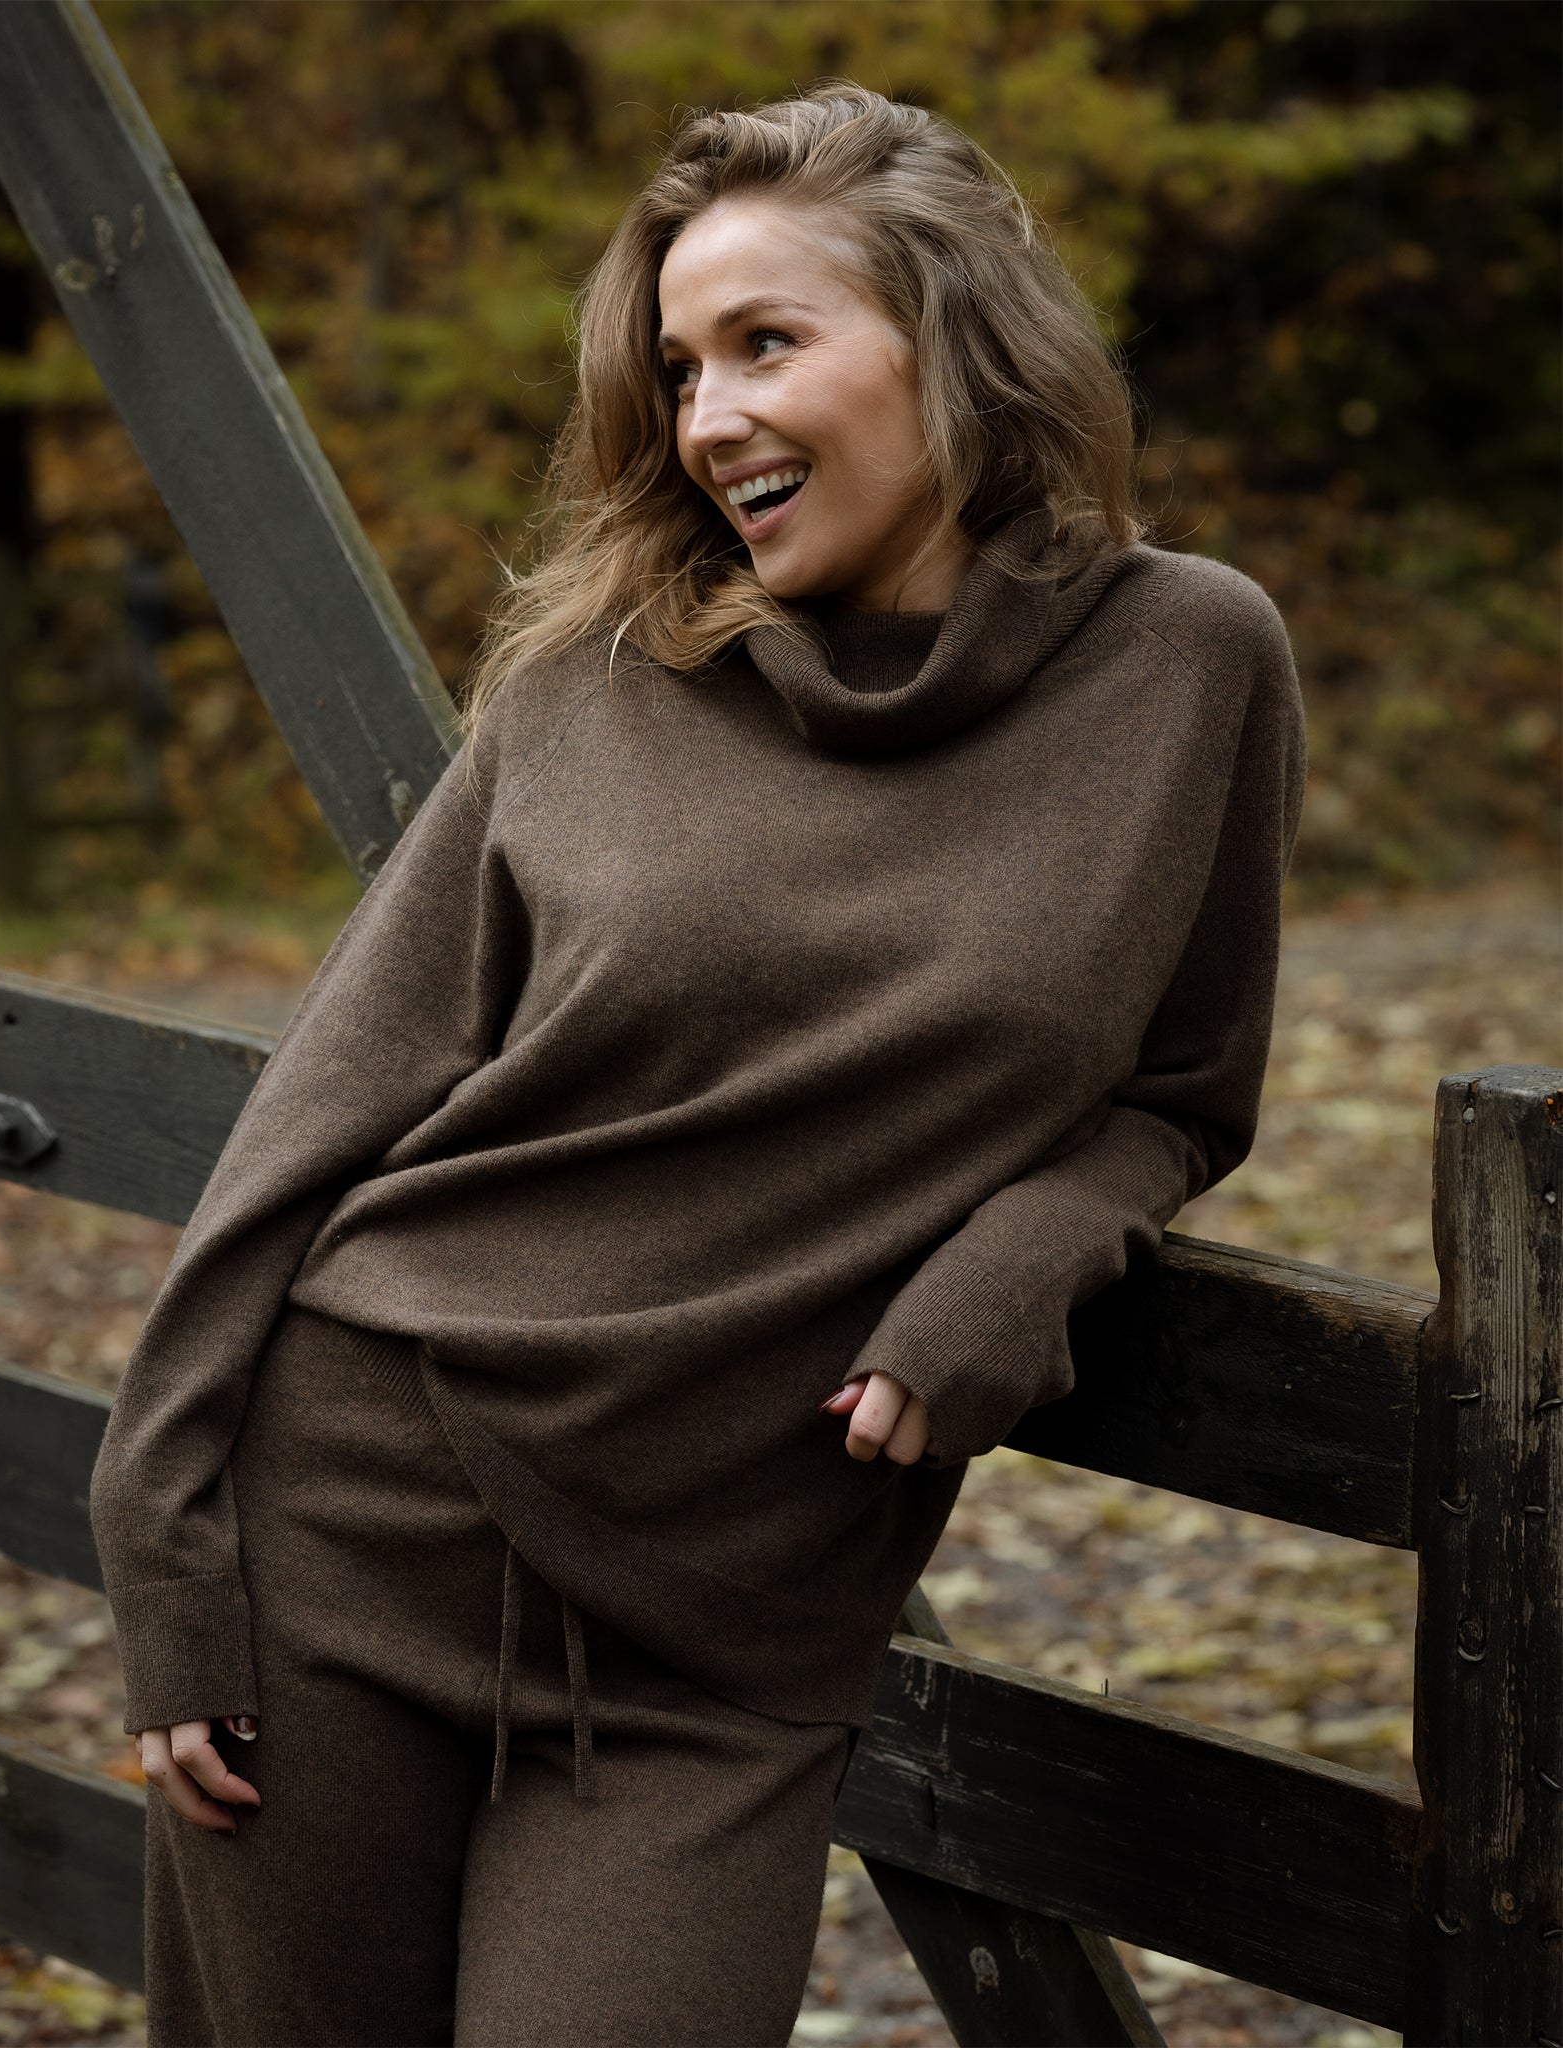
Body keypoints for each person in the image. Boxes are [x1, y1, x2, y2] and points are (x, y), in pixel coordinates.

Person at [89, 81, 1305, 2048]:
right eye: (676, 366)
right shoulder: (598, 675)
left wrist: (1040, 1237)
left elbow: (1185, 1089)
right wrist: (161, 1542)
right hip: (349, 1538)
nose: (709, 415)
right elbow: (321, 1112)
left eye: (767, 342)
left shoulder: (1190, 664)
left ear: (960, 336)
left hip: (724, 1634)